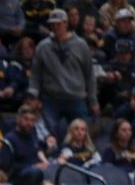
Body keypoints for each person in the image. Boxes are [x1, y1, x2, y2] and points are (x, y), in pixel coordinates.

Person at [30, 9, 98, 137]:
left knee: (80, 137)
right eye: (53, 24)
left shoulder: (81, 45)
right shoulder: (42, 47)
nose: (56, 27)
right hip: (51, 98)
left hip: (76, 98)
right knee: (48, 137)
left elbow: (89, 75)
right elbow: (35, 74)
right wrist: (34, 95)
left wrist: (93, 100)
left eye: (59, 24)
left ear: (66, 23)